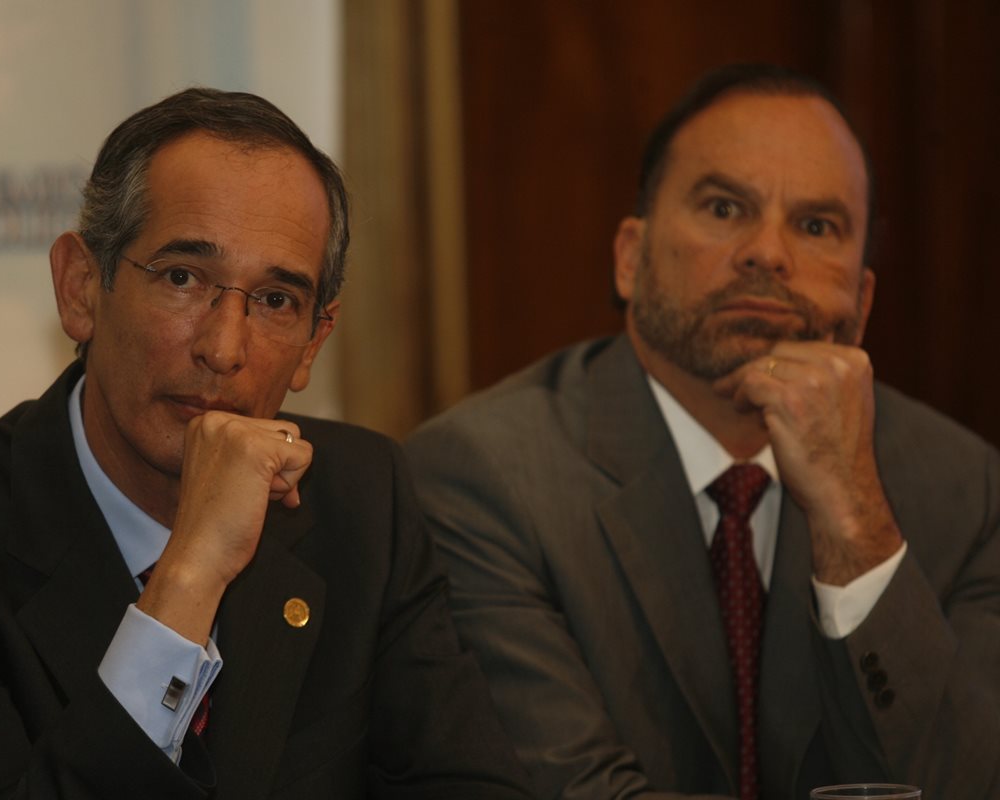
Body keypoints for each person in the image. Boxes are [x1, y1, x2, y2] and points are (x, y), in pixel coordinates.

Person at [0, 87, 533, 800]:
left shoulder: (362, 497)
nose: (224, 348)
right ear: (81, 289)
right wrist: (189, 576)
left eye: (277, 301)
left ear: (315, 342)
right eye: (184, 278)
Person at [404, 64, 1000, 800]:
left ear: (863, 297)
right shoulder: (483, 475)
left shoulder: (965, 487)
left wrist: (854, 519)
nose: (768, 253)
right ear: (630, 258)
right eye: (724, 208)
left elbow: (964, 782)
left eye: (816, 226)